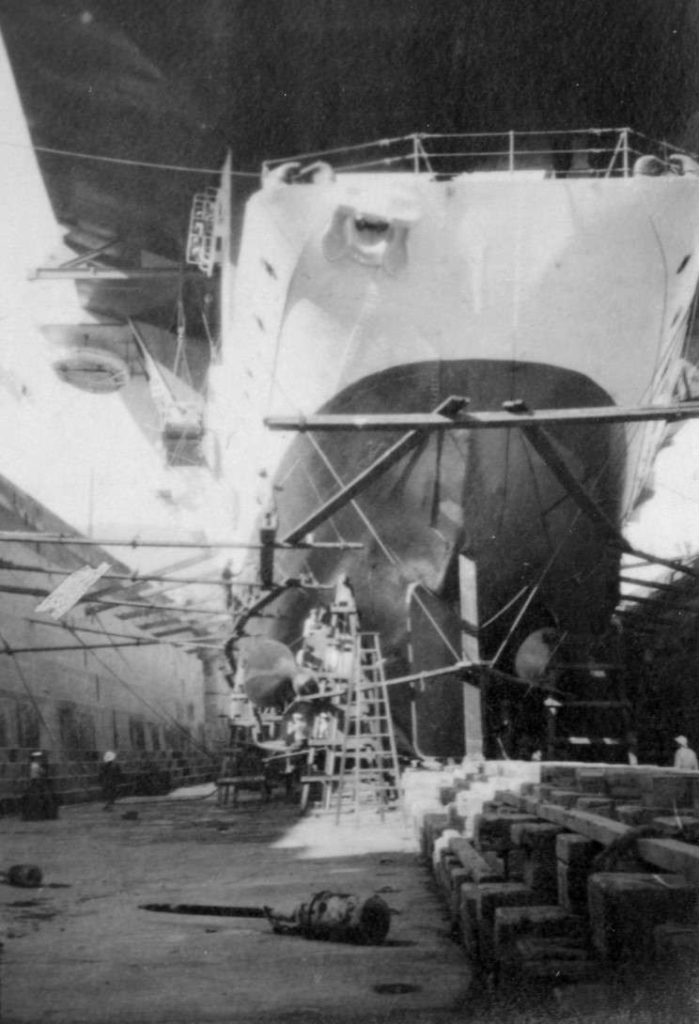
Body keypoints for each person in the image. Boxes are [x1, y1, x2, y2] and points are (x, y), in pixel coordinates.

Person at [21, 751, 59, 820]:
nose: (39, 759)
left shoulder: (32, 765)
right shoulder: (35, 766)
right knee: (43, 797)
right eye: (38, 758)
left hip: (35, 783)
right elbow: (41, 773)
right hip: (38, 783)